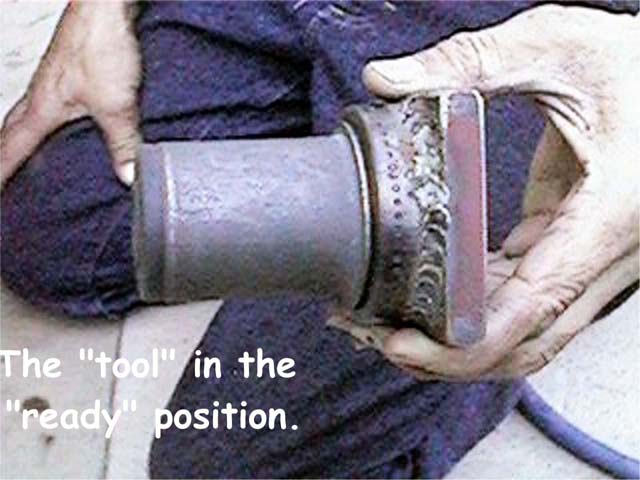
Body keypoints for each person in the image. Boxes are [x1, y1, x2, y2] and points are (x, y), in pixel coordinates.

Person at [1, 1, 637, 477]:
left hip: (539, 23)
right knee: (48, 230)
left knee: (228, 463)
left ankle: (521, 293)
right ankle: (319, 124)